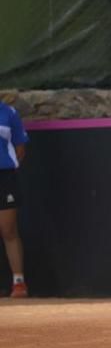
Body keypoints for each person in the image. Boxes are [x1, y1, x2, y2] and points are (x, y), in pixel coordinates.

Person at [0, 101, 29, 298]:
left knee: (8, 229)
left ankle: (19, 283)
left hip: (5, 177)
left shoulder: (9, 112)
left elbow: (20, 148)